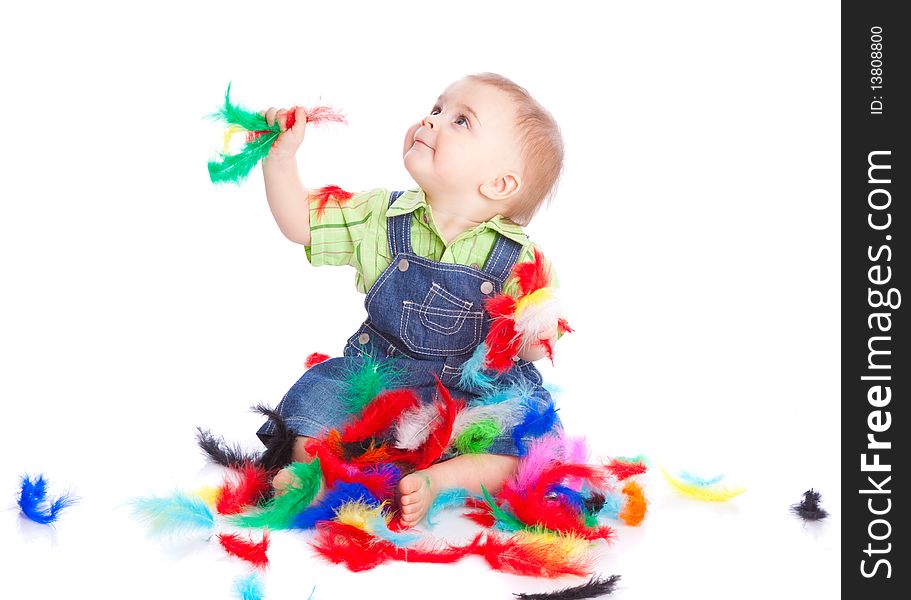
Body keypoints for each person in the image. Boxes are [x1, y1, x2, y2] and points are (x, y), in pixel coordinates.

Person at [256, 72, 565, 528]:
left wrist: (534, 335)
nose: (432, 119)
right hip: (381, 378)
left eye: (461, 121)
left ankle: (443, 479)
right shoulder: (381, 216)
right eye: (437, 108)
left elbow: (537, 341)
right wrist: (279, 161)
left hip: (471, 396)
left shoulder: (521, 258)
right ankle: (313, 474)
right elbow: (301, 223)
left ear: (499, 185)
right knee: (319, 399)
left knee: (530, 442)